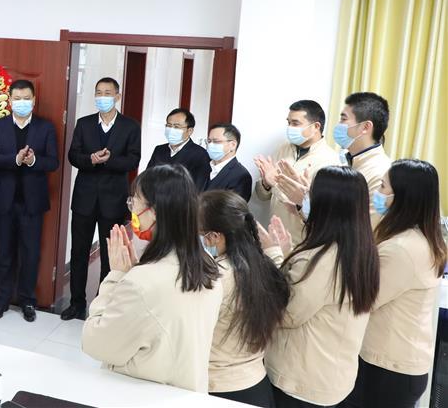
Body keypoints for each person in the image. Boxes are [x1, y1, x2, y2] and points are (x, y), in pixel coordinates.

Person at [81, 164, 222, 392]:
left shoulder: (142, 283)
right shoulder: (209, 266)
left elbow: (95, 342)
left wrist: (116, 276)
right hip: (188, 391)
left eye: (135, 201)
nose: (131, 208)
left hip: (144, 393)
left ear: (154, 211)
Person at [260, 166, 380, 408]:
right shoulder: (361, 250)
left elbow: (286, 313)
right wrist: (287, 253)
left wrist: (273, 255)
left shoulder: (321, 259)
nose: (305, 198)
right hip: (332, 376)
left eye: (310, 193)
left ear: (325, 204)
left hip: (301, 382)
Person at [342, 160, 446, 408]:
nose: (377, 194)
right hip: (397, 364)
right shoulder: (420, 239)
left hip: (387, 368)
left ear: (402, 197)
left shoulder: (402, 249)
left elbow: (364, 298)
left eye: (382, 187)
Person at [199, 190, 289, 407]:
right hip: (257, 384)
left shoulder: (216, 278)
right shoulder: (265, 265)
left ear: (215, 236)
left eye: (200, 232)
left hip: (220, 389)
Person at [61, 77, 141, 321]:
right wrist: (90, 159)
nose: (102, 97)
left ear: (117, 96)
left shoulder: (130, 126)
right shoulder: (84, 124)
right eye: (98, 92)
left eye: (107, 92)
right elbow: (73, 155)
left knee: (109, 255)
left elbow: (133, 160)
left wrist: (109, 160)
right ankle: (76, 303)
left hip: (113, 200)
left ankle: (102, 304)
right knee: (79, 252)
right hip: (84, 198)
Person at [0, 79, 59, 323]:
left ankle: (27, 301)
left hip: (32, 202)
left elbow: (53, 162)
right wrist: (15, 160)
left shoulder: (46, 127)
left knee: (31, 253)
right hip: (4, 200)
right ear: (10, 100)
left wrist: (34, 161)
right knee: (3, 253)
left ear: (34, 100)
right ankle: (2, 300)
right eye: (17, 98)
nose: (22, 102)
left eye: (26, 98)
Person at [254, 100, 340, 241]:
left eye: (295, 123)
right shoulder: (282, 149)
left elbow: (326, 213)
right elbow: (262, 196)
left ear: (316, 127)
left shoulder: (331, 161)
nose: (290, 128)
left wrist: (300, 196)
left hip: (304, 241)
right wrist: (266, 184)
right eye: (288, 123)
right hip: (275, 236)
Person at [334, 92, 392, 225]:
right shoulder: (349, 161)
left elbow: (366, 229)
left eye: (343, 119)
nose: (338, 125)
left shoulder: (381, 173)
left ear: (365, 127)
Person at [146, 108, 210, 189]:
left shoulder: (200, 154)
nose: (171, 130)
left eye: (176, 127)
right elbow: (147, 178)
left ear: (190, 131)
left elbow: (198, 187)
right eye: (169, 125)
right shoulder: (159, 150)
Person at [204, 123, 252, 202]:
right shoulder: (202, 167)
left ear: (232, 145)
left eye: (216, 141)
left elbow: (232, 208)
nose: (210, 145)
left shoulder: (241, 176)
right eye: (209, 141)